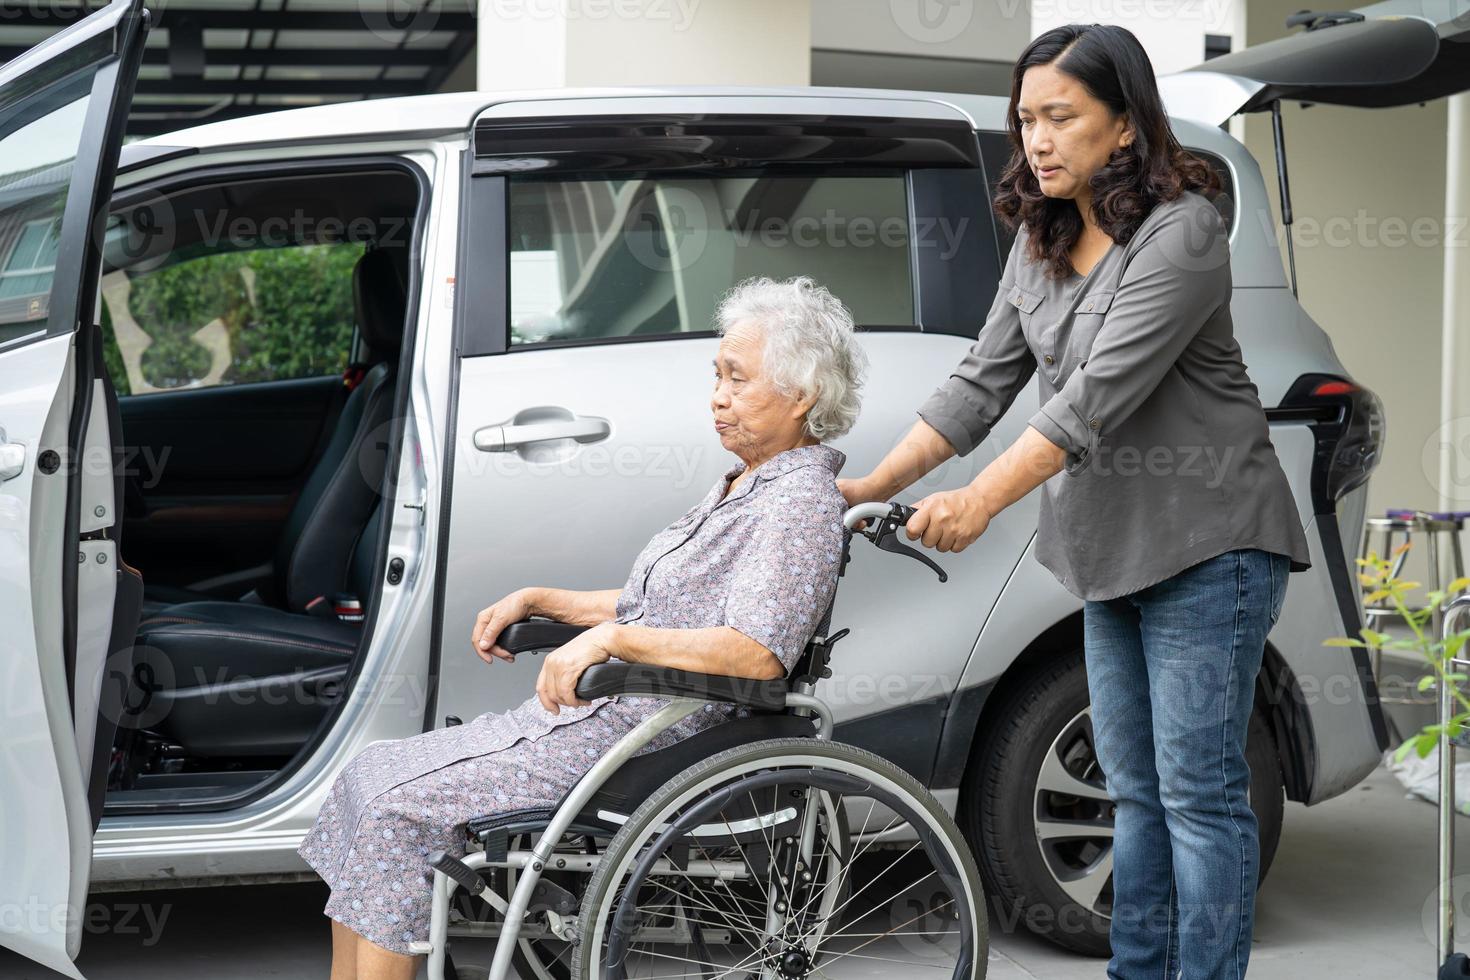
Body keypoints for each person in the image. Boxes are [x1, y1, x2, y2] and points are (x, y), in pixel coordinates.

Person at [837, 24, 1310, 980]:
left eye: (1062, 117)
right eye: (1026, 120)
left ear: (1126, 125)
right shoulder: (1040, 236)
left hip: (1210, 545)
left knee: (1199, 795)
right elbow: (981, 382)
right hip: (1107, 551)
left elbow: (1093, 400)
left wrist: (974, 503)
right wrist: (863, 484)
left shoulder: (1182, 233)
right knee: (1133, 792)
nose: (1038, 140)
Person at [297, 274, 866, 980]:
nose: (717, 396)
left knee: (397, 810)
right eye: (716, 376)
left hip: (656, 734)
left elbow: (754, 653)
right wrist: (548, 600)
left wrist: (609, 640)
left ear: (802, 394)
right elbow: (662, 603)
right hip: (607, 718)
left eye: (738, 379)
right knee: (369, 777)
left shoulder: (798, 504)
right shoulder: (748, 484)